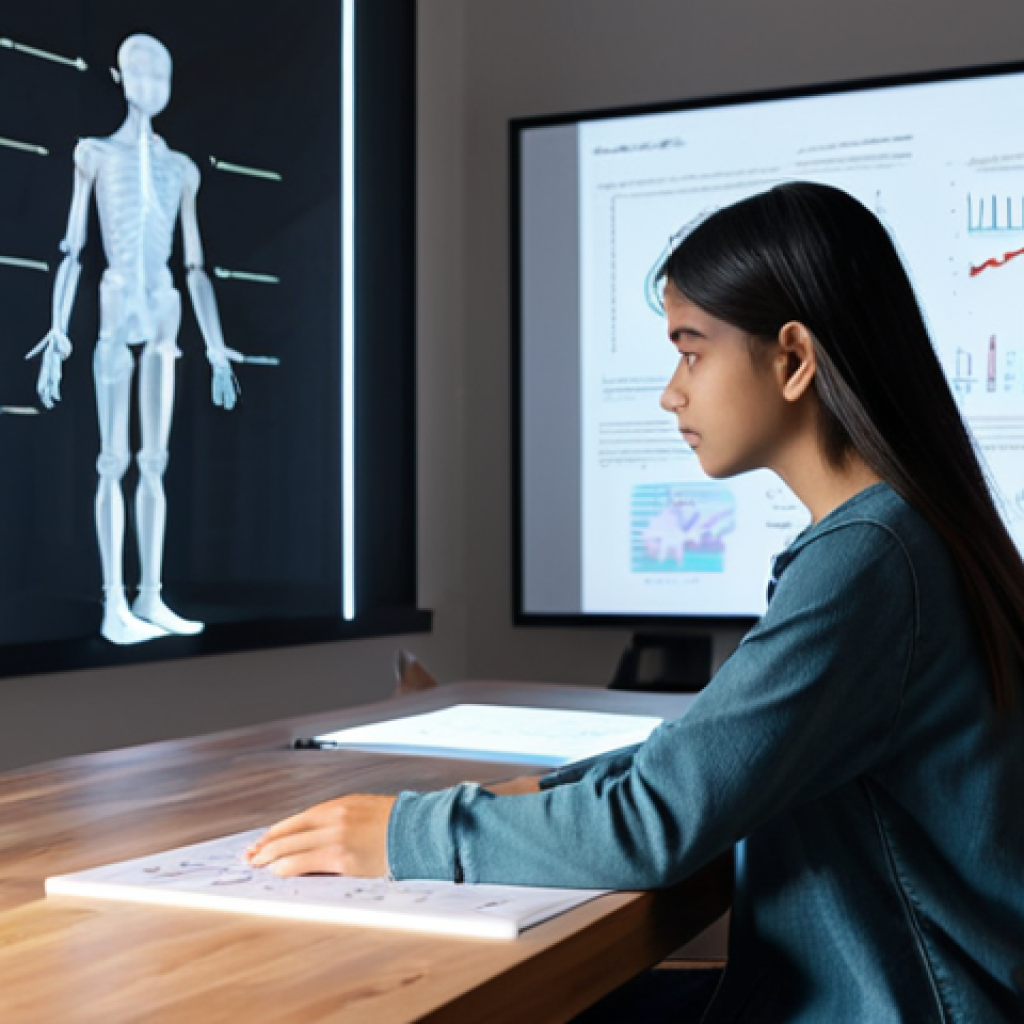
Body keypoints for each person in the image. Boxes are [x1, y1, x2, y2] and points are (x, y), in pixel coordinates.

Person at [245, 182, 1024, 1023]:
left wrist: (402, 837)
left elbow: (656, 824)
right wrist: (538, 798)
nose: (670, 392)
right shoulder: (910, 533)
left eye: (691, 351)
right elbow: (705, 761)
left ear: (794, 360)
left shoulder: (868, 560)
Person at [26, 34, 247, 645]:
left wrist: (214, 348)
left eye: (162, 74)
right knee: (112, 459)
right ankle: (113, 605)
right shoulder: (94, 155)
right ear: (120, 77)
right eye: (140, 71)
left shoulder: (183, 170)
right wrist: (58, 332)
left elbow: (195, 266)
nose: (151, 84)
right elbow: (73, 249)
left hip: (166, 311)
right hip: (119, 299)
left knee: (155, 462)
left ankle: (150, 596)